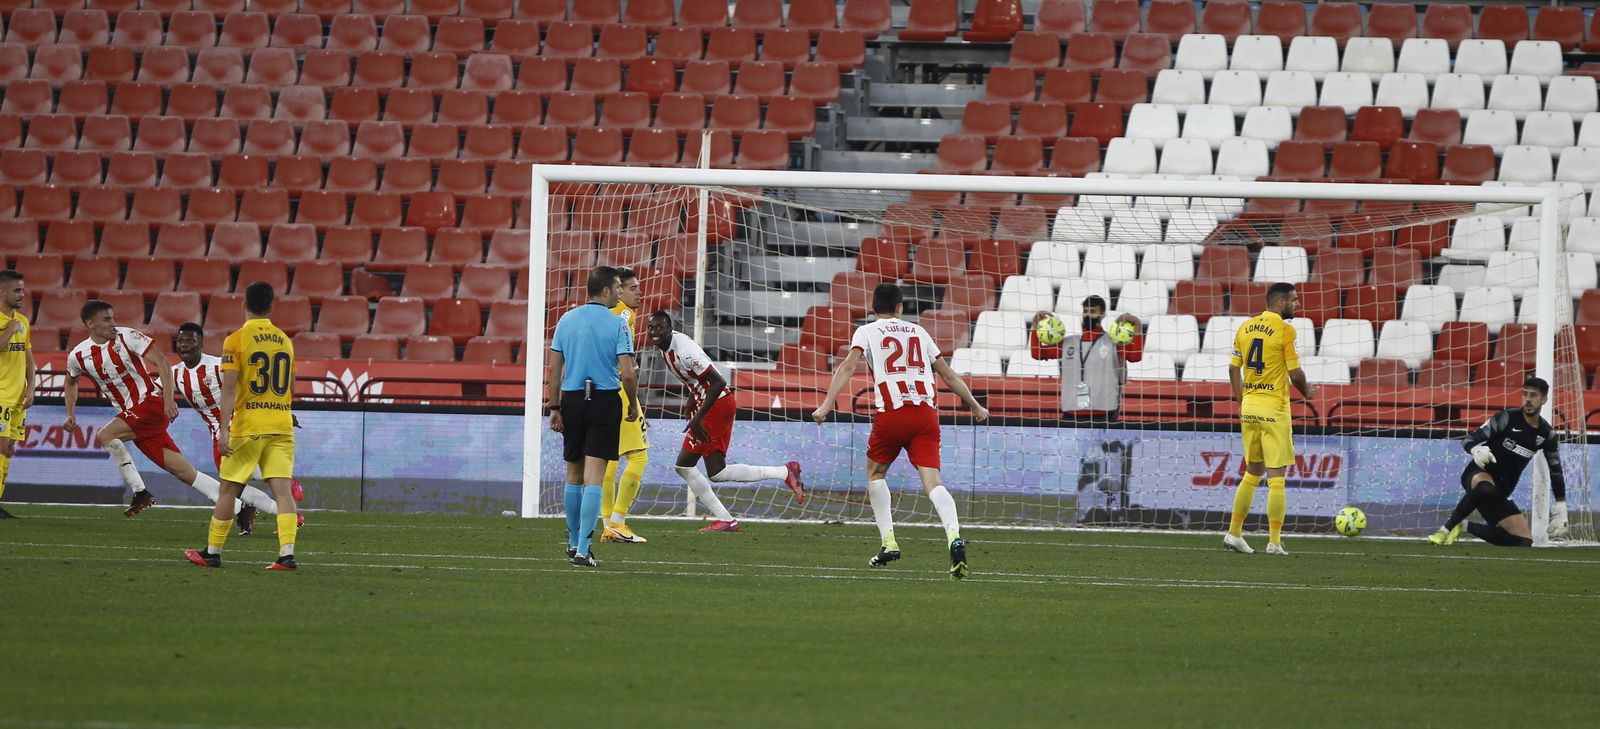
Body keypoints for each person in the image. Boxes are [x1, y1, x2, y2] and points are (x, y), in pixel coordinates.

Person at [812, 283, 989, 580]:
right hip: (925, 415)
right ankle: (954, 536)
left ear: (872, 308)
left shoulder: (866, 331)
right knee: (933, 482)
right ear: (900, 307)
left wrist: (826, 405)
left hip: (892, 413)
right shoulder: (919, 332)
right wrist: (974, 405)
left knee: (875, 474)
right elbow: (947, 374)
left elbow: (847, 367)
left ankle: (889, 543)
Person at [63, 300, 231, 517]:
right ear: (90, 324)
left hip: (150, 404)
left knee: (105, 435)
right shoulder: (78, 355)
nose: (113, 323)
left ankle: (139, 492)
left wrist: (169, 400)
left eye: (113, 317)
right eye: (106, 319)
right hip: (134, 418)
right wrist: (70, 413)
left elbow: (161, 361)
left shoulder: (127, 336)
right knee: (183, 471)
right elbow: (71, 382)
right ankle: (238, 505)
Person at [644, 312, 805, 534]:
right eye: (650, 328)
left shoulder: (685, 350)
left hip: (716, 405)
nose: (654, 332)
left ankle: (727, 518)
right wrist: (692, 399)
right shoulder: (666, 347)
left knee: (688, 466)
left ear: (669, 329)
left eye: (659, 328)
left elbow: (718, 382)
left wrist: (698, 417)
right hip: (713, 404)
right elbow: (697, 377)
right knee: (713, 471)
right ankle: (783, 472)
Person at [184, 283, 302, 570]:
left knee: (228, 490)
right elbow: (291, 385)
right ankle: (286, 554)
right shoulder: (285, 340)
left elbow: (229, 386)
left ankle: (212, 552)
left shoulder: (235, 340)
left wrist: (224, 429)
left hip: (249, 425)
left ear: (243, 304)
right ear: (272, 307)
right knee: (283, 492)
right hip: (281, 424)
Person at [171, 322, 305, 535]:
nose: (184, 345)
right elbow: (153, 389)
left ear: (201, 344)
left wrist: (283, 412)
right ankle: (287, 507)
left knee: (230, 483)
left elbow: (248, 384)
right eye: (180, 341)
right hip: (220, 432)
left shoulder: (216, 366)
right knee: (235, 485)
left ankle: (282, 500)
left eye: (190, 340)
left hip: (238, 427)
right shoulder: (175, 374)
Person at [547, 266, 641, 567]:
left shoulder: (566, 320)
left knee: (573, 477)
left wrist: (554, 407)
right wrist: (632, 404)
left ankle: (573, 542)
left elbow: (554, 370)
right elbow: (627, 372)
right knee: (594, 479)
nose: (619, 292)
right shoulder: (618, 325)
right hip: (604, 400)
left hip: (572, 400)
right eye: (616, 287)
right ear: (605, 291)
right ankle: (584, 550)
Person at [1223, 282, 1313, 556]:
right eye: (1294, 300)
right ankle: (1274, 541)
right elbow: (1295, 373)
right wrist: (1307, 392)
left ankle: (1234, 533)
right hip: (1274, 409)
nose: (1297, 305)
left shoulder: (1245, 327)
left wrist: (1242, 400)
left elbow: (1232, 369)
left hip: (1249, 407)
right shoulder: (1286, 330)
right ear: (1281, 302)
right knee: (1277, 478)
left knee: (1252, 473)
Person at [1427, 376, 1569, 547]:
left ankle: (1463, 526)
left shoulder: (1547, 434)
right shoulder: (1506, 418)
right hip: (1478, 474)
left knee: (1523, 541)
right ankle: (1444, 530)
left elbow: (1556, 470)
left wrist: (1561, 506)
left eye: (1533, 395)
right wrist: (1475, 449)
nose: (1528, 400)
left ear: (1544, 399)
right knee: (1485, 488)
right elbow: (1469, 439)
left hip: (1502, 488)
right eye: (1525, 394)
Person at [1028, 295, 1143, 421]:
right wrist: (1035, 327)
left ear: (1103, 314)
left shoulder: (1114, 341)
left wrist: (1137, 326)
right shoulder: (1068, 343)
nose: (1087, 315)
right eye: (1085, 311)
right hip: (1072, 409)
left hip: (1104, 410)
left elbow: (1135, 356)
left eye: (1092, 311)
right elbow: (1037, 354)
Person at [600, 268, 650, 544]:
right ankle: (618, 521)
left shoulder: (607, 312)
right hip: (620, 392)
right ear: (620, 290)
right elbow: (625, 366)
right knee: (639, 455)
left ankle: (608, 523)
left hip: (602, 390)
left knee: (609, 458)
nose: (638, 292)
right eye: (633, 288)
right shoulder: (624, 314)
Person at [0, 270, 34, 519]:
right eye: (17, 290)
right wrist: (9, 331)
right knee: (1, 448)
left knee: (8, 451)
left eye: (22, 289)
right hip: (0, 396)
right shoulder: (12, 324)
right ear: (3, 292)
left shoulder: (22, 320)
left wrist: (31, 387)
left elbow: (28, 358)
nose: (22, 294)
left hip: (18, 398)